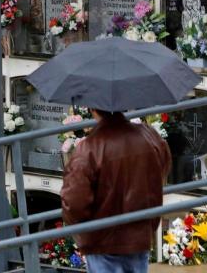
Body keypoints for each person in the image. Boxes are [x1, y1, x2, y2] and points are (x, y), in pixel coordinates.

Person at [61, 109, 171, 273]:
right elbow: (163, 165)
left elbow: (74, 203)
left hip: (102, 240)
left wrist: (84, 231)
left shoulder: (89, 148)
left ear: (92, 109)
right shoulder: (149, 136)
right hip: (140, 234)